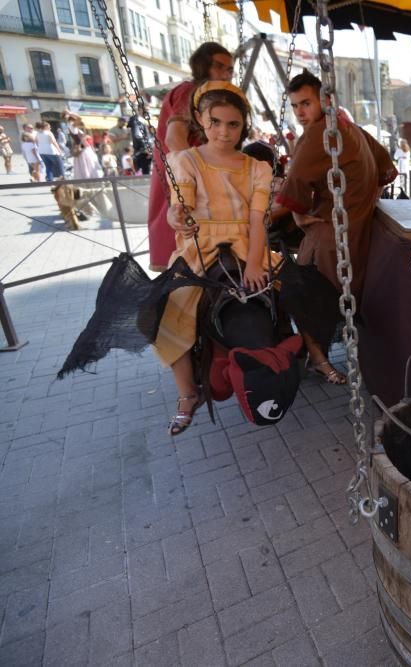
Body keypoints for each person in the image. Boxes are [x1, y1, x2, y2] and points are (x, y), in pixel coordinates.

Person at [156, 81, 271, 436]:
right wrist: (178, 217)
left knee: (297, 290)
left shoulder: (257, 168)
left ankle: (313, 356)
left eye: (233, 124)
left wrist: (254, 262)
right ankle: (187, 393)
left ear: (243, 125)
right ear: (200, 120)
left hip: (246, 243)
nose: (224, 131)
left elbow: (257, 219)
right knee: (168, 311)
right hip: (199, 245)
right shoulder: (186, 160)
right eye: (215, 122)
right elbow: (182, 207)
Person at [277, 70, 397, 384]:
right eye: (295, 106)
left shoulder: (321, 133)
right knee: (328, 302)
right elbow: (387, 168)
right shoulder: (351, 126)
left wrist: (296, 215)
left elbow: (294, 187)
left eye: (306, 103)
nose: (301, 112)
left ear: (325, 100)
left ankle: (317, 359)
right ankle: (316, 355)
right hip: (356, 234)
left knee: (309, 300)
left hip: (329, 237)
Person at [147, 41, 233, 272]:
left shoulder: (208, 97)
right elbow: (174, 139)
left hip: (188, 177)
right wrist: (203, 179)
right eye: (219, 67)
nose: (225, 74)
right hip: (184, 180)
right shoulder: (190, 91)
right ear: (203, 66)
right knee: (186, 251)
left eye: (229, 69)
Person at [64, 113, 100, 179]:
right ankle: (88, 177)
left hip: (82, 147)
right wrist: (69, 112)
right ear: (73, 120)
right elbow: (79, 118)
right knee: (87, 163)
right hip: (83, 148)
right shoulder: (72, 126)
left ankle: (86, 177)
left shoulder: (71, 127)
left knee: (84, 163)